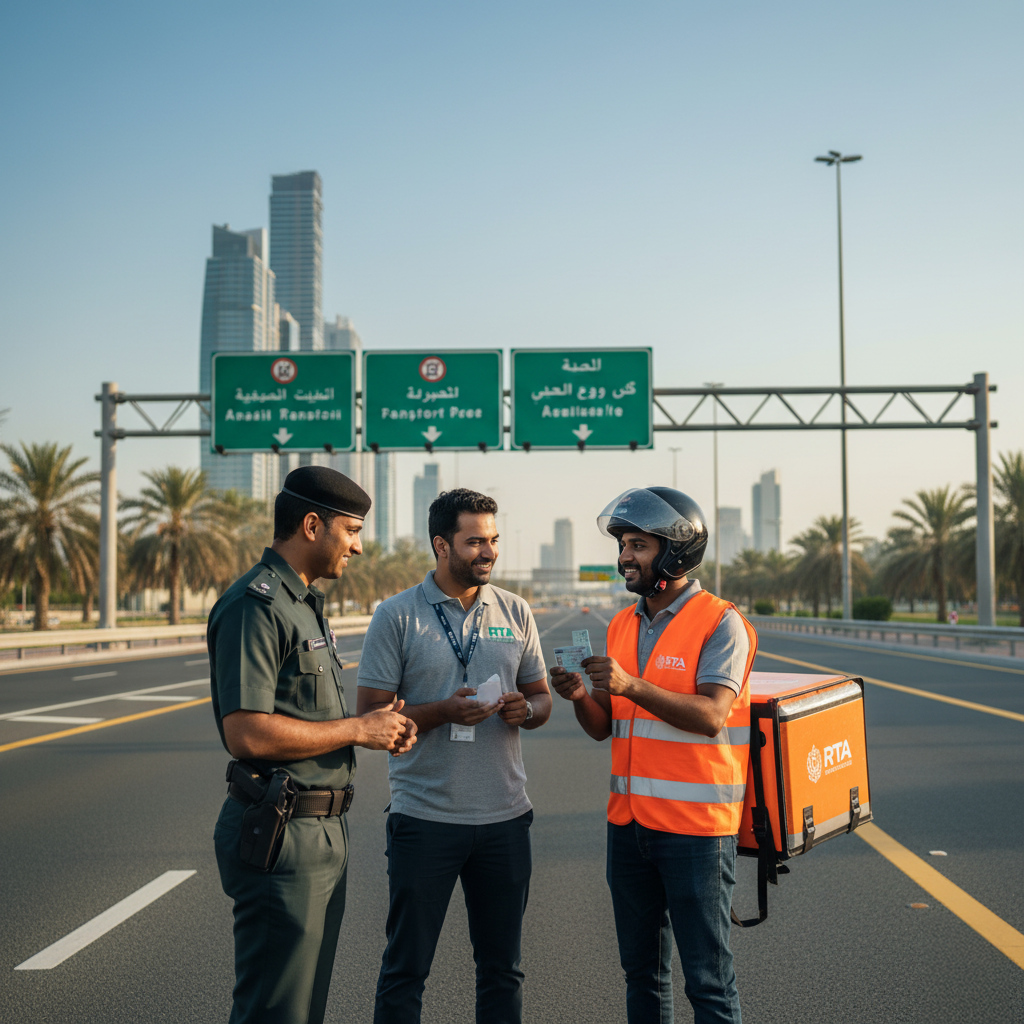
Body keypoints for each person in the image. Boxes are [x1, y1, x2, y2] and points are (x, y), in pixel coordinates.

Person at [209, 466, 417, 1024]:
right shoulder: (258, 604)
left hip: (321, 828)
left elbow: (300, 713)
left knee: (303, 1007)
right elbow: (247, 731)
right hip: (281, 831)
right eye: (350, 531)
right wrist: (356, 729)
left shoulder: (302, 603)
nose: (358, 546)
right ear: (310, 525)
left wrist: (377, 728)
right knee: (276, 1009)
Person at [551, 486, 757, 1024]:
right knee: (642, 976)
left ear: (675, 550)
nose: (624, 557)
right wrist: (579, 696)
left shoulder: (720, 622)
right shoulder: (620, 625)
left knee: (709, 983)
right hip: (630, 827)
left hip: (696, 831)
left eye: (637, 544)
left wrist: (631, 685)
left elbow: (712, 714)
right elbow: (604, 728)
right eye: (622, 544)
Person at [356, 488, 551, 1024]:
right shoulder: (396, 616)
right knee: (405, 970)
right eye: (474, 542)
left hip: (505, 819)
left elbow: (541, 699)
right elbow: (371, 717)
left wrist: (524, 711)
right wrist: (443, 711)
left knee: (502, 970)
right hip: (425, 819)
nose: (487, 552)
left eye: (492, 540)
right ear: (441, 545)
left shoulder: (516, 610)